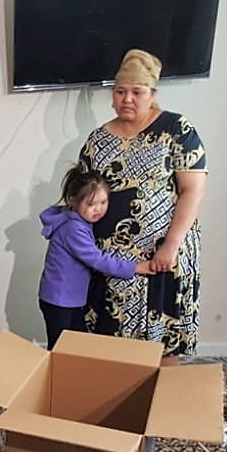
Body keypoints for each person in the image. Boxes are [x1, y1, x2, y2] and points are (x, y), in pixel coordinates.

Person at [79, 49, 208, 364]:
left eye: (137, 92)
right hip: (112, 262)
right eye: (120, 91)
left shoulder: (177, 129)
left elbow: (193, 189)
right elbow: (82, 195)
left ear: (152, 94)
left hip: (163, 257)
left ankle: (162, 396)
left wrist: (171, 245)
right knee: (108, 349)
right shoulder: (97, 140)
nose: (127, 99)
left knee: (163, 346)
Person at [38, 163, 154, 350]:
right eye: (91, 204)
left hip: (69, 298)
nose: (98, 209)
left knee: (76, 344)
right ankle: (53, 369)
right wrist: (135, 267)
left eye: (103, 202)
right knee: (60, 347)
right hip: (59, 300)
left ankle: (70, 368)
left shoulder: (79, 221)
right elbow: (97, 260)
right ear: (72, 200)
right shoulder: (73, 228)